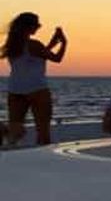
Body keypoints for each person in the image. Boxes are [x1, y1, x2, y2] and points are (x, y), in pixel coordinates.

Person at [1, 12, 67, 145]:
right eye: (37, 24)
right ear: (28, 26)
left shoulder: (12, 46)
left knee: (15, 128)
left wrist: (53, 42)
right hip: (37, 89)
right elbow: (57, 58)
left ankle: (9, 149)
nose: (39, 27)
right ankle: (43, 154)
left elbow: (38, 55)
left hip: (15, 89)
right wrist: (64, 43)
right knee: (43, 131)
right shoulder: (34, 44)